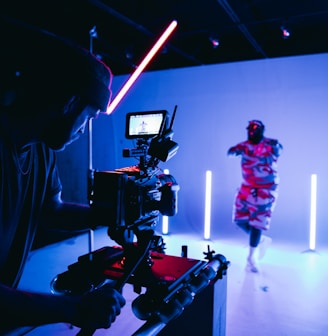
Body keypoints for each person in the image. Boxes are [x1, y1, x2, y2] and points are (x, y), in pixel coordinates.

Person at [0, 19, 125, 334]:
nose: (84, 130)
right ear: (69, 102)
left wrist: (109, 214)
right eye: (89, 116)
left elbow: (50, 210)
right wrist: (76, 308)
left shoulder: (41, 150)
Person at [227, 120, 283, 273]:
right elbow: (231, 151)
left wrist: (277, 148)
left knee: (257, 223)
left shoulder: (270, 144)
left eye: (255, 129)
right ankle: (260, 240)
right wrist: (234, 152)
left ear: (261, 130)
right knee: (239, 219)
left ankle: (252, 257)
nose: (251, 131)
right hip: (247, 187)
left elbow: (279, 150)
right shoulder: (244, 146)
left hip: (265, 190)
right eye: (249, 129)